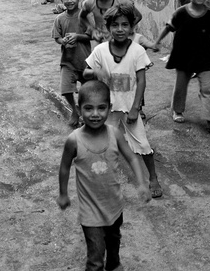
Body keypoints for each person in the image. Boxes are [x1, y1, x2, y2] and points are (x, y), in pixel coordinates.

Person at [57, 80, 150, 271]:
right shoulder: (74, 140)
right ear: (79, 109)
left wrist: (142, 183)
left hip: (114, 206)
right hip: (90, 213)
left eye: (101, 108)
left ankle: (114, 264)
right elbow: (64, 167)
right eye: (88, 108)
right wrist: (63, 194)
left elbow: (132, 158)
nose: (95, 114)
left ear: (109, 108)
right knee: (95, 257)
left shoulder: (115, 134)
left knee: (114, 240)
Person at [84, 4, 163, 198]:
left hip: (129, 108)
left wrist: (136, 108)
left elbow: (142, 81)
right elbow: (85, 72)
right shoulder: (101, 51)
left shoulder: (137, 51)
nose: (120, 29)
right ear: (108, 27)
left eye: (125, 25)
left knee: (143, 145)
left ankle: (152, 178)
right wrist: (96, 71)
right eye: (115, 25)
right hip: (107, 109)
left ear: (131, 27)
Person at [153, 0, 210, 137]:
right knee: (181, 85)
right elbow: (168, 28)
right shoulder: (181, 13)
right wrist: (157, 42)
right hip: (183, 56)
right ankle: (177, 111)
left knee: (207, 89)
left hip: (204, 57)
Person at [52, 0, 92, 127]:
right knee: (66, 89)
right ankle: (74, 110)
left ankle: (84, 110)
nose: (69, 0)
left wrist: (78, 36)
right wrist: (62, 40)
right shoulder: (59, 19)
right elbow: (57, 37)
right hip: (67, 61)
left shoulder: (85, 17)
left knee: (88, 91)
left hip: (86, 60)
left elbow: (91, 35)